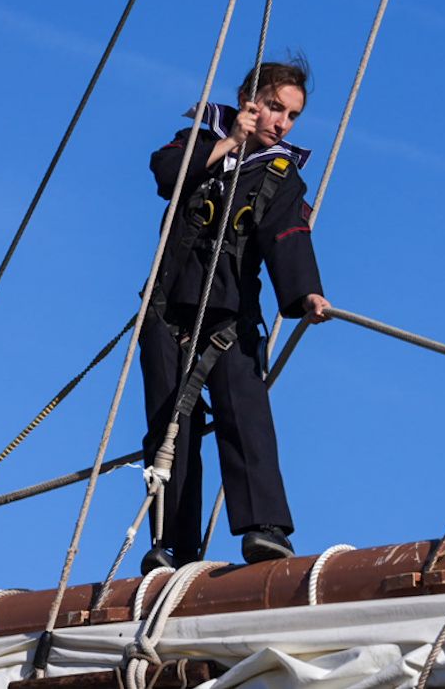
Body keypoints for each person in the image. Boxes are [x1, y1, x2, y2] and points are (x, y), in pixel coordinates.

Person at [139, 58, 330, 574]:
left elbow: (288, 233)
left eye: (291, 116)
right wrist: (226, 145)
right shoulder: (197, 141)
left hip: (231, 312)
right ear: (250, 100)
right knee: (168, 425)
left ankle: (264, 528)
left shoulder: (282, 174)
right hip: (167, 307)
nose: (281, 123)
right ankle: (174, 543)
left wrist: (307, 293)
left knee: (245, 412)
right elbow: (164, 173)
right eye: (273, 108)